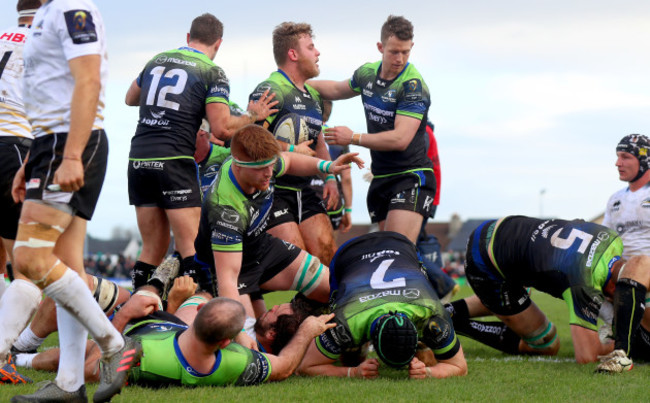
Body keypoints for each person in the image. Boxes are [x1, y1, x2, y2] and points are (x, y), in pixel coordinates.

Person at [1, 1, 141, 401]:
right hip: (49, 144)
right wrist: (29, 160)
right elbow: (51, 90)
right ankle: (69, 383)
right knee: (69, 270)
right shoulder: (46, 16)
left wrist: (73, 154)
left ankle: (115, 344)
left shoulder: (72, 8)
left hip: (70, 144)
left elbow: (89, 79)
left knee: (29, 260)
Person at [124, 13, 277, 293]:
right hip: (174, 160)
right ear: (218, 44)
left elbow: (129, 98)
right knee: (192, 248)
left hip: (139, 158)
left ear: (187, 37)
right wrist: (252, 115)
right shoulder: (212, 71)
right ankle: (196, 318)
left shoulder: (157, 59)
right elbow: (220, 130)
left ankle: (138, 315)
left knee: (152, 248)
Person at [193, 124, 363, 340]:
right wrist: (241, 336)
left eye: (271, 166)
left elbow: (290, 160)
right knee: (252, 341)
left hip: (261, 246)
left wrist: (327, 166)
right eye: (261, 169)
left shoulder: (262, 165)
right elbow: (228, 278)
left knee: (336, 287)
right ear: (238, 166)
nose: (269, 174)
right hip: (229, 268)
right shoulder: (226, 209)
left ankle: (351, 337)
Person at [309, 15, 434, 245]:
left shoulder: (412, 86)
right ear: (380, 47)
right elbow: (336, 89)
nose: (400, 58)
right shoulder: (367, 74)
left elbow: (400, 139)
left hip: (410, 177)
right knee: (387, 254)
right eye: (394, 51)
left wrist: (353, 137)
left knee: (397, 252)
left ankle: (430, 281)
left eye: (405, 52)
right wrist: (296, 84)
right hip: (381, 178)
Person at [451, 215, 622, 364]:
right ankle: (453, 323)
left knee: (509, 301)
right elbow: (586, 356)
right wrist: (620, 345)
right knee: (546, 342)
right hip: (486, 261)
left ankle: (446, 311)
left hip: (503, 229)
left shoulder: (613, 238)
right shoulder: (583, 281)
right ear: (614, 287)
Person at [297, 231, 467, 379]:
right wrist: (352, 371)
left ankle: (417, 349)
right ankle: (356, 348)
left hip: (402, 246)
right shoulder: (345, 323)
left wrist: (427, 372)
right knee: (351, 359)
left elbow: (460, 367)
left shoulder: (431, 314)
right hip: (348, 255)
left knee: (424, 359)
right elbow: (305, 367)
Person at [249, 22, 339, 265]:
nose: (317, 53)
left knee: (327, 258)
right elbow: (251, 144)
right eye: (311, 47)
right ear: (293, 54)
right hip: (272, 191)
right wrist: (290, 149)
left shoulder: (313, 95)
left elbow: (318, 141)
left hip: (304, 190)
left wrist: (330, 178)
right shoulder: (271, 90)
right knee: (299, 264)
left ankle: (310, 305)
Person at [595, 134, 650, 372]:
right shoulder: (615, 199)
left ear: (644, 161)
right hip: (620, 282)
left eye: (625, 156)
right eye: (617, 156)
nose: (618, 163)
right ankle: (618, 333)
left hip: (644, 274)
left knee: (638, 264)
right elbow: (604, 243)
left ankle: (621, 349)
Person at [0, 0, 40, 306]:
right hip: (14, 141)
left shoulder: (2, 36)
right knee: (21, 255)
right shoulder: (42, 42)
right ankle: (14, 345)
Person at [309, 100, 353, 235]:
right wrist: (348, 210)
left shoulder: (302, 133)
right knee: (329, 249)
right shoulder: (338, 138)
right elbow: (346, 179)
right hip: (332, 200)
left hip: (308, 197)